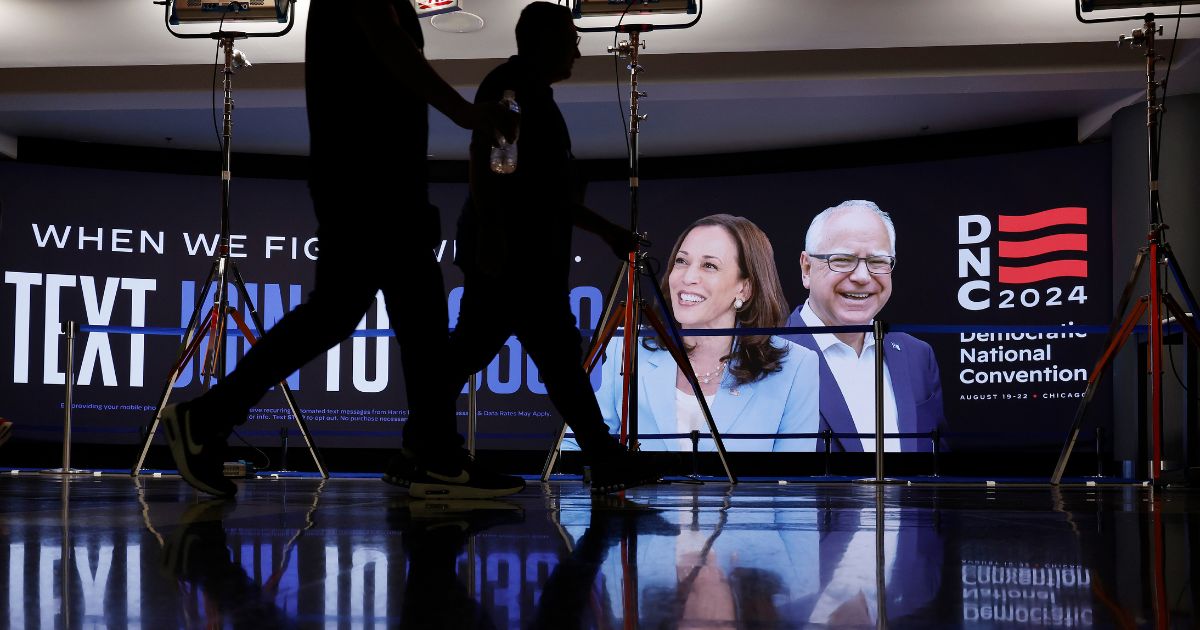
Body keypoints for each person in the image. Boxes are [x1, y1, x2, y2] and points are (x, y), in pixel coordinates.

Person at [160, 0, 511, 497]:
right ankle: (435, 454)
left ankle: (209, 417)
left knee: (359, 313)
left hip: (370, 178)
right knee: (408, 315)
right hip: (369, 179)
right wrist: (464, 112)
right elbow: (388, 46)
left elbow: (389, 54)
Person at [384, 2, 660, 497]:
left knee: (515, 355)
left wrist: (604, 231)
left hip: (522, 256)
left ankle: (419, 448)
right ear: (543, 41)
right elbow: (496, 166)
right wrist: (495, 233)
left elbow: (541, 191)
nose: (577, 49)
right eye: (570, 39)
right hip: (514, 257)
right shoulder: (512, 90)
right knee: (513, 355)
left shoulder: (528, 93)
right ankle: (423, 449)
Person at [577, 214, 820, 453]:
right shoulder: (624, 345)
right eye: (681, 261)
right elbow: (573, 449)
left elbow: (794, 480)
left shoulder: (796, 366)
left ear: (745, 288)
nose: (688, 277)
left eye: (709, 265)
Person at [782, 200, 945, 453]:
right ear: (806, 268)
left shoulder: (918, 356)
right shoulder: (765, 356)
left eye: (878, 261)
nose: (861, 277)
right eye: (843, 260)